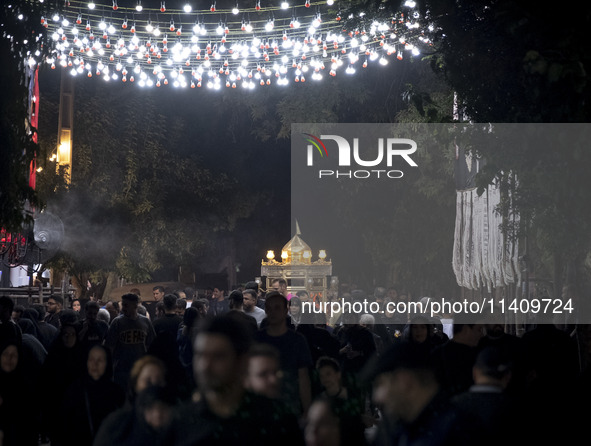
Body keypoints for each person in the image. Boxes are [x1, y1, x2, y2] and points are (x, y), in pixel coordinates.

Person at [171, 315, 305, 446]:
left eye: (218, 357)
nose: (205, 366)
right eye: (200, 355)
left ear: (242, 360)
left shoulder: (277, 421)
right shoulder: (181, 422)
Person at [363, 342, 479, 446]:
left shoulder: (457, 432)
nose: (376, 398)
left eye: (380, 385)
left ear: (405, 381)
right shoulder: (396, 427)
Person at [255, 291, 314, 417]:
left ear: (285, 310)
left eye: (277, 308)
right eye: (269, 308)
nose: (273, 312)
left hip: (290, 403)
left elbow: (303, 377)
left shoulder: (297, 340)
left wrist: (307, 410)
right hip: (262, 404)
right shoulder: (257, 339)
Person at [61, 345, 126, 446]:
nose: (95, 364)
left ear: (107, 363)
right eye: (91, 359)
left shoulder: (116, 392)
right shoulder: (75, 391)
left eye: (100, 360)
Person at [104, 293, 156, 391]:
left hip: (141, 369)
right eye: (123, 305)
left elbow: (151, 344)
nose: (123, 308)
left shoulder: (145, 322)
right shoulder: (117, 322)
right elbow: (109, 347)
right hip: (122, 369)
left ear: (135, 305)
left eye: (126, 305)